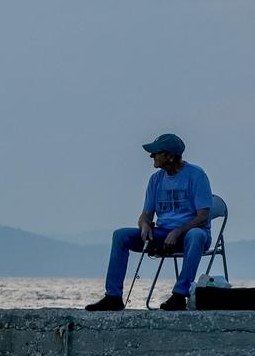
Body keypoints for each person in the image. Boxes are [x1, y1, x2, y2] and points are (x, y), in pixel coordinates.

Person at [85, 132, 212, 311]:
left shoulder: (197, 176)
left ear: (170, 156)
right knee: (121, 235)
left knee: (197, 234)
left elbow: (203, 216)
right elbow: (145, 215)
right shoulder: (155, 180)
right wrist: (144, 226)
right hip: (162, 234)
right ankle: (113, 297)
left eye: (156, 152)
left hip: (190, 236)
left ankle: (179, 295)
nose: (152, 156)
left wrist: (177, 231)